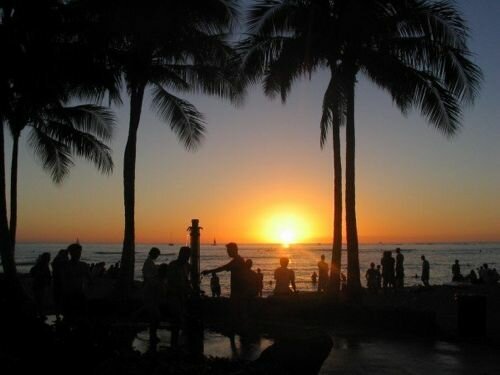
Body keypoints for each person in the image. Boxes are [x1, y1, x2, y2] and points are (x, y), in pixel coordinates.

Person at [166, 246, 192, 347]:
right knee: (176, 319)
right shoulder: (173, 265)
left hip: (182, 296)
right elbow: (171, 282)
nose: (187, 258)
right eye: (186, 256)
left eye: (188, 256)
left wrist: (189, 288)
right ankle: (174, 344)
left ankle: (177, 343)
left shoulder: (186, 266)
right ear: (181, 254)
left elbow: (186, 280)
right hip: (174, 295)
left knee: (180, 318)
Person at [62, 243, 91, 324]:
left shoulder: (83, 265)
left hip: (79, 293)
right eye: (76, 252)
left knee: (81, 317)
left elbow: (90, 279)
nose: (78, 254)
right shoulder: (66, 265)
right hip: (68, 294)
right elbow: (62, 280)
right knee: (69, 317)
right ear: (71, 253)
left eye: (79, 252)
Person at [142, 247, 161, 342]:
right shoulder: (148, 263)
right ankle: (152, 335)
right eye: (157, 255)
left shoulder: (149, 262)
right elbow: (149, 277)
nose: (157, 256)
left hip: (150, 291)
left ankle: (153, 334)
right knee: (154, 315)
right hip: (150, 291)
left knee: (153, 314)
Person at [30, 252, 52, 319]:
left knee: (39, 300)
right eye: (48, 258)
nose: (49, 259)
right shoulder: (42, 265)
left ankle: (39, 313)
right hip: (39, 285)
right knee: (39, 300)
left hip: (40, 285)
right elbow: (47, 275)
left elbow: (48, 275)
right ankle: (39, 313)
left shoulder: (43, 265)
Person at [51, 249, 68, 319]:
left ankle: (60, 313)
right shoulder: (59, 260)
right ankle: (58, 314)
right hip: (58, 282)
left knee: (61, 299)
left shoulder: (61, 260)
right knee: (59, 299)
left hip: (61, 282)